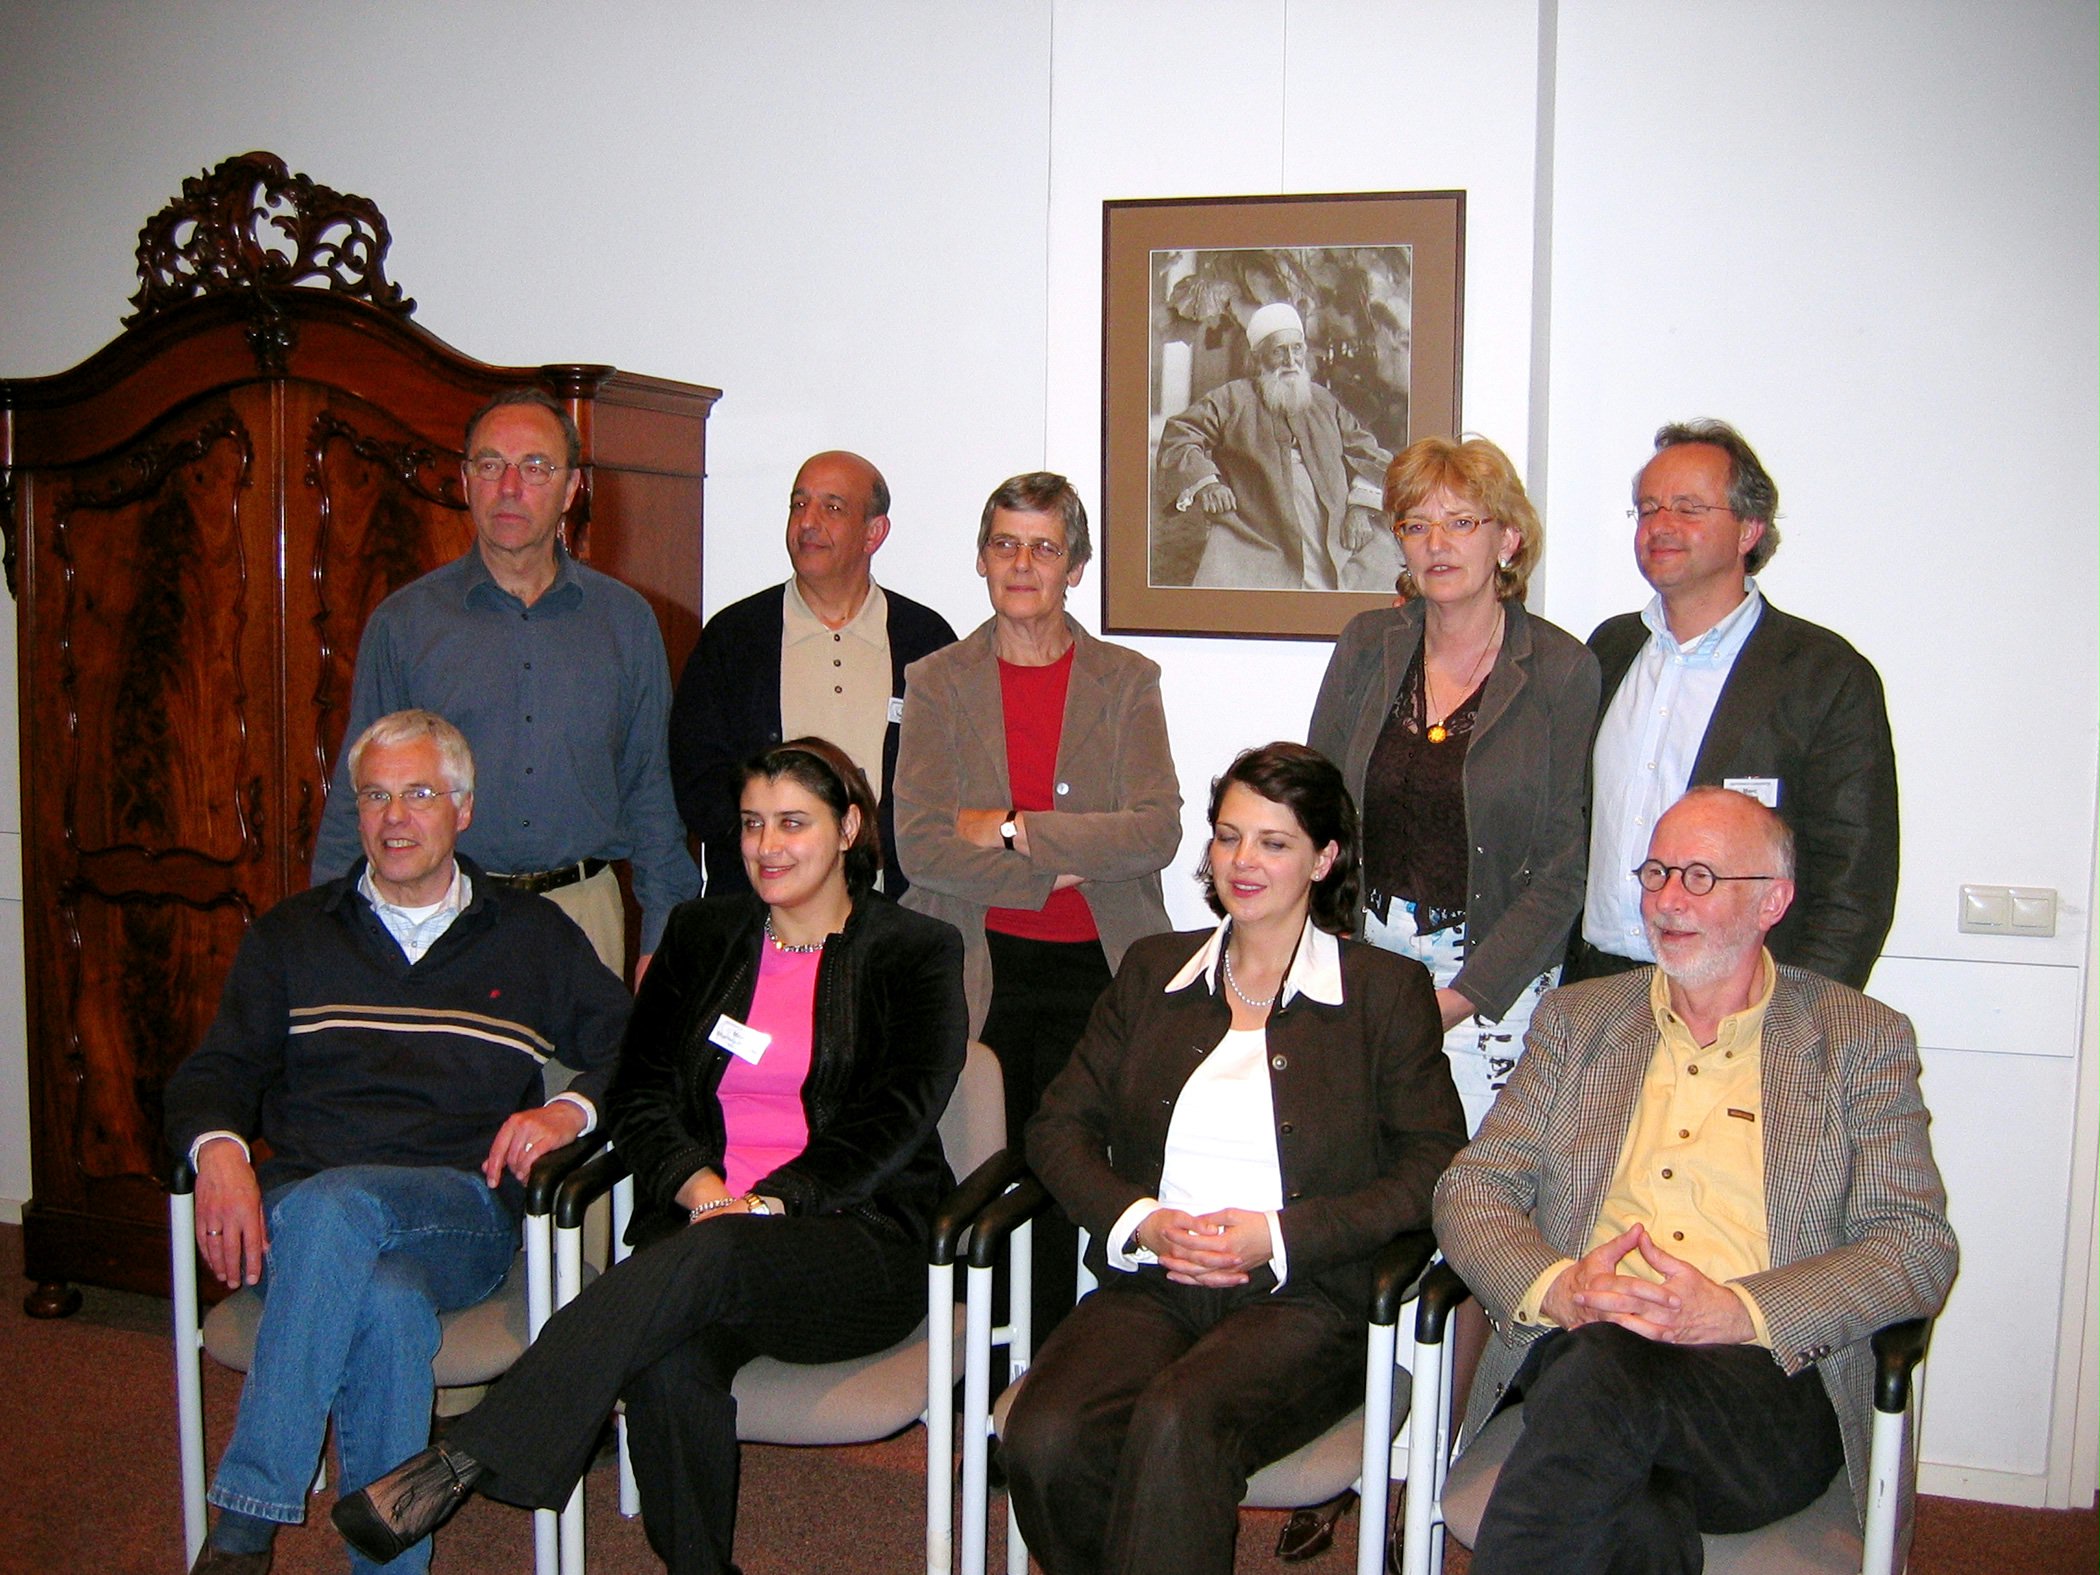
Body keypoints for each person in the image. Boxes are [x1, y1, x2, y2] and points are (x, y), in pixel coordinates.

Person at [333, 738, 967, 1575]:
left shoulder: (916, 949)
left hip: (855, 1241)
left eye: (793, 823)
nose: (766, 846)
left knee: (719, 1249)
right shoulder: (702, 935)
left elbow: (895, 1116)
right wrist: (701, 1188)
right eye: (751, 824)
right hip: (704, 1234)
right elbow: (638, 1093)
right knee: (667, 1365)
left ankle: (471, 1452)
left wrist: (768, 1203)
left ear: (848, 827)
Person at [1434, 786, 1957, 1574]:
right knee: (1633, 1504)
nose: (1667, 900)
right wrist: (1559, 1287)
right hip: (1585, 1346)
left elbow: (1916, 1246)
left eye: (1701, 877)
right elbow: (1472, 1188)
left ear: (1772, 900)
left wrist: (1741, 1309)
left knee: (1601, 1377)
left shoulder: (1858, 1037)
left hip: (1763, 1390)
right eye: (1656, 873)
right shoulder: (1578, 1021)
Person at [166, 710, 631, 1575]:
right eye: (375, 795)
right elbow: (216, 1068)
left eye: (419, 793)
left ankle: (243, 1526)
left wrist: (570, 1110)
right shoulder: (293, 934)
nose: (394, 817)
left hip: (458, 1210)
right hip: (300, 1220)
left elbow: (637, 1049)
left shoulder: (530, 937)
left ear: (464, 808)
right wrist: (219, 1145)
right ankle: (388, 1564)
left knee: (341, 1205)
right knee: (382, 1297)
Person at [1002, 743, 1466, 1575]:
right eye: (1228, 836)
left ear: (1324, 858)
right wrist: (1142, 1220)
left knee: (1178, 1418)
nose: (1243, 860)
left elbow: (1434, 1163)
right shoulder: (1153, 969)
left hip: (1305, 1299)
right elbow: (1057, 1126)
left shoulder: (1384, 992)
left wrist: (1279, 1235)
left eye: (1274, 842)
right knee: (1044, 1436)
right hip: (1156, 1280)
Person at [893, 470, 1182, 1336]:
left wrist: (1016, 830)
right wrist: (1051, 866)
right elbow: (919, 845)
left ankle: (1048, 1363)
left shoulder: (1126, 679)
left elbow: (1156, 830)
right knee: (978, 1166)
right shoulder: (937, 680)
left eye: (1044, 548)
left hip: (1096, 964)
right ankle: (976, 1359)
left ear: (1075, 567)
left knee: (1070, 1170)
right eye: (1005, 545)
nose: (1022, 565)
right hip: (979, 961)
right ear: (981, 559)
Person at [311, 386, 699, 982]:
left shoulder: (624, 622)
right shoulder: (406, 623)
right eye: (491, 465)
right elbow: (358, 791)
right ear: (467, 481)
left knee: (586, 1052)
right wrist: (328, 940)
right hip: (440, 916)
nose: (510, 487)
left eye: (536, 467)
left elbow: (652, 791)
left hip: (584, 917)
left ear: (571, 489)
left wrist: (664, 940)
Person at [1309, 435, 1600, 1134]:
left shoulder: (1561, 669)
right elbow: (1314, 811)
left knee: (1475, 1182)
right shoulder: (1367, 644)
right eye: (1416, 525)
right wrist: (1330, 948)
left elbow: (1564, 869)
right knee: (1364, 1166)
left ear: (1508, 539)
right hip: (1367, 962)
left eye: (1461, 522)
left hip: (1495, 981)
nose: (1436, 543)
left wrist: (1457, 1000)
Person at [1572, 418, 1899, 991]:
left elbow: (1854, 885)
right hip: (1596, 987)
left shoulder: (1823, 675)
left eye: (1688, 508)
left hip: (1743, 995)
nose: (1661, 526)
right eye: (1648, 509)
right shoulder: (1608, 650)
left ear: (1749, 528)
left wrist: (1795, 1013)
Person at [668, 449, 957, 896]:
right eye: (799, 504)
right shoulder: (734, 637)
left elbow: (951, 778)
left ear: (874, 532)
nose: (807, 522)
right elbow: (697, 778)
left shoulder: (925, 640)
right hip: (759, 911)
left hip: (892, 908)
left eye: (832, 508)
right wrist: (778, 845)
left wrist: (869, 847)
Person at [1154, 301, 1396, 591]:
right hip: (1258, 530)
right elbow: (1180, 435)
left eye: (1297, 349)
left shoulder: (1323, 401)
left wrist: (1360, 509)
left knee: (1384, 583)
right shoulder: (1231, 398)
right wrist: (1208, 485)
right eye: (1279, 351)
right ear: (1257, 358)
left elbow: (1369, 453)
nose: (1291, 360)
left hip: (1335, 527)